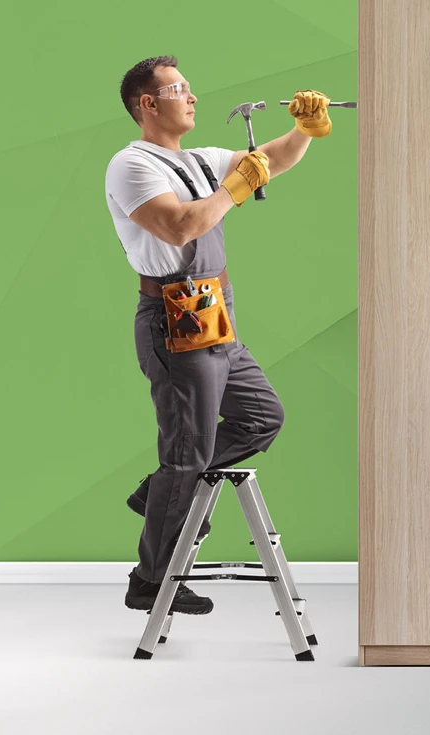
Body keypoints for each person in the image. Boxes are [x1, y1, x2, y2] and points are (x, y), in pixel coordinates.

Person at [104, 55, 331, 615]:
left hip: (215, 311)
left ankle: (160, 493)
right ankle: (152, 580)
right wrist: (236, 187)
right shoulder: (131, 166)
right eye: (179, 89)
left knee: (260, 417)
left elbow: (269, 159)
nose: (193, 97)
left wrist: (303, 131)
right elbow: (179, 226)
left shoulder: (201, 161)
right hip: (174, 315)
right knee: (187, 456)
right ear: (148, 105)